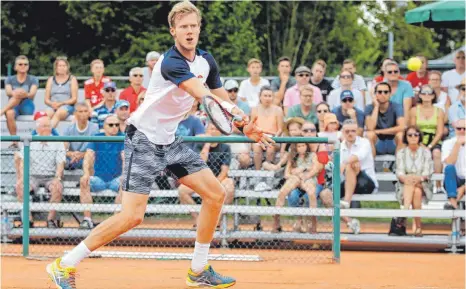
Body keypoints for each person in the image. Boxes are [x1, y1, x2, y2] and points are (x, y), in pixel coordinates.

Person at [46, 2, 272, 288]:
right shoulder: (170, 62)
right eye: (183, 27)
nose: (189, 32)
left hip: (169, 140)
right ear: (173, 31)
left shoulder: (207, 61)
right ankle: (64, 265)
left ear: (199, 28)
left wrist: (242, 123)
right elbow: (202, 94)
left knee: (215, 194)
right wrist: (238, 119)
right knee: (131, 216)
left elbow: (221, 97)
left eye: (193, 26)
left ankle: (198, 270)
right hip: (143, 139)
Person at [178, 123, 235, 228]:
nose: (213, 131)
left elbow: (224, 171)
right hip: (201, 179)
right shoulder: (200, 144)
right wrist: (207, 144)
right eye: (210, 129)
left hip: (218, 179)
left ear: (220, 132)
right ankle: (199, 221)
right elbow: (200, 164)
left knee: (230, 187)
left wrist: (214, 184)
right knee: (182, 190)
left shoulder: (225, 147)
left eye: (215, 129)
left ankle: (215, 221)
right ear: (206, 132)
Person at [15, 116, 65, 228]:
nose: (46, 129)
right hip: (33, 176)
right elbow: (22, 161)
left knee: (57, 187)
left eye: (48, 126)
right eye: (43, 126)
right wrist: (23, 177)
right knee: (20, 187)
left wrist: (57, 178)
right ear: (37, 129)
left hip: (51, 176)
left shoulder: (58, 142)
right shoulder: (30, 140)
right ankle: (28, 221)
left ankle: (50, 220)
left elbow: (60, 164)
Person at [79, 115, 125, 229]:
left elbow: (125, 158)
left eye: (117, 125)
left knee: (125, 183)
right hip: (98, 179)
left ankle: (115, 222)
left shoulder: (123, 137)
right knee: (83, 181)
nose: (114, 127)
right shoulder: (96, 137)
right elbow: (88, 157)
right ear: (104, 126)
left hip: (116, 179)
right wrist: (86, 173)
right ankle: (87, 219)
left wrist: (124, 175)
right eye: (111, 125)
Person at [394, 126, 434, 237]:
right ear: (406, 137)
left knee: (415, 185)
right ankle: (418, 227)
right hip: (405, 184)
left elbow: (427, 172)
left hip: (423, 183)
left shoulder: (426, 152)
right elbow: (400, 172)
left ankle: (404, 213)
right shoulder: (401, 153)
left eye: (416, 135)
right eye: (410, 135)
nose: (413, 137)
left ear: (419, 137)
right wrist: (407, 178)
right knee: (416, 192)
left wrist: (418, 178)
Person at [273, 143, 318, 233]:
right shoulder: (292, 156)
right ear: (295, 148)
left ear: (307, 146)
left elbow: (315, 169)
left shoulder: (312, 155)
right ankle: (276, 222)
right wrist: (296, 174)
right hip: (295, 178)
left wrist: (303, 170)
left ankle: (312, 224)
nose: (301, 148)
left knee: (311, 193)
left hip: (307, 178)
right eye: (299, 146)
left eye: (303, 146)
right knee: (282, 192)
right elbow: (286, 174)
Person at [409, 84, 445, 193]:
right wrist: (420, 144)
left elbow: (440, 132)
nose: (426, 95)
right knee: (417, 153)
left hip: (434, 139)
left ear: (433, 96)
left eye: (429, 93)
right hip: (417, 138)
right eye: (423, 93)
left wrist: (429, 146)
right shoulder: (414, 110)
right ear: (419, 95)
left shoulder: (439, 111)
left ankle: (438, 184)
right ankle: (419, 184)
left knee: (437, 153)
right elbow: (413, 129)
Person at [1, 55, 38, 148]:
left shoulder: (33, 79)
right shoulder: (9, 79)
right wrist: (18, 93)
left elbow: (32, 94)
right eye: (20, 64)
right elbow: (8, 92)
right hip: (13, 106)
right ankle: (15, 142)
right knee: (9, 113)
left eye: (25, 64)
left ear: (28, 67)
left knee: (18, 94)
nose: (23, 66)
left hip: (27, 105)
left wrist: (21, 93)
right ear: (15, 67)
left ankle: (1, 111)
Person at [365, 82, 405, 157]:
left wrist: (379, 131)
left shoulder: (397, 106)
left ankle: (400, 167)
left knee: (401, 135)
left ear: (390, 94)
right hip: (377, 143)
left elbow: (402, 127)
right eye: (379, 92)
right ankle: (370, 168)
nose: (383, 94)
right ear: (375, 94)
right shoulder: (369, 107)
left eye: (386, 92)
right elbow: (370, 127)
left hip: (393, 142)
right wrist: (376, 107)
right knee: (369, 135)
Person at [251, 86, 283, 172]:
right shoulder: (255, 109)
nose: (267, 98)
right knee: (257, 148)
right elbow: (252, 127)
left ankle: (268, 171)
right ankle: (258, 173)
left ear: (273, 97)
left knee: (270, 147)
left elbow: (280, 129)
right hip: (259, 137)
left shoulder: (278, 110)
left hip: (273, 138)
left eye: (270, 96)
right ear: (260, 96)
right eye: (265, 95)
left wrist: (274, 137)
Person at [44, 56, 78, 128]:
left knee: (58, 113)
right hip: (53, 105)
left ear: (67, 67)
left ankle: (48, 134)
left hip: (67, 106)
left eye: (64, 66)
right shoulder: (50, 79)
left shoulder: (72, 79)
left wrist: (61, 103)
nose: (62, 68)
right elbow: (46, 99)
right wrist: (52, 104)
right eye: (60, 66)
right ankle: (41, 135)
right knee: (45, 115)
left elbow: (74, 99)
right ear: (56, 67)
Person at [63, 103, 99, 170]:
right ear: (75, 113)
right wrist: (72, 154)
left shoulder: (95, 128)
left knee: (91, 157)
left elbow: (96, 150)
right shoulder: (69, 128)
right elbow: (63, 149)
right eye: (80, 111)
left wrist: (81, 155)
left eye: (85, 111)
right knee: (60, 158)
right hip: (72, 158)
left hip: (87, 157)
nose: (83, 114)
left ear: (89, 113)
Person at [442, 119, 465, 210]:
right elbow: (450, 162)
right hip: (453, 181)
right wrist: (457, 144)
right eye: (459, 128)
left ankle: (452, 204)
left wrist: (463, 187)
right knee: (449, 168)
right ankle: (453, 200)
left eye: (465, 128)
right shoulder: (447, 143)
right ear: (455, 129)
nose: (462, 131)